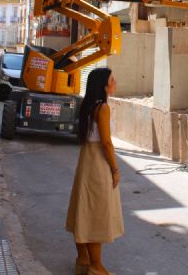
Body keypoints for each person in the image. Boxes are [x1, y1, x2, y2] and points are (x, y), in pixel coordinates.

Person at [66, 68, 124, 275]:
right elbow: (106, 142)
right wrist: (115, 169)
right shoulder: (103, 108)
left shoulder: (88, 106)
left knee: (82, 210)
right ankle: (96, 267)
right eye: (112, 79)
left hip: (86, 161)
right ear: (103, 85)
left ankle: (83, 259)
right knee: (96, 216)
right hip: (98, 163)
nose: (115, 82)